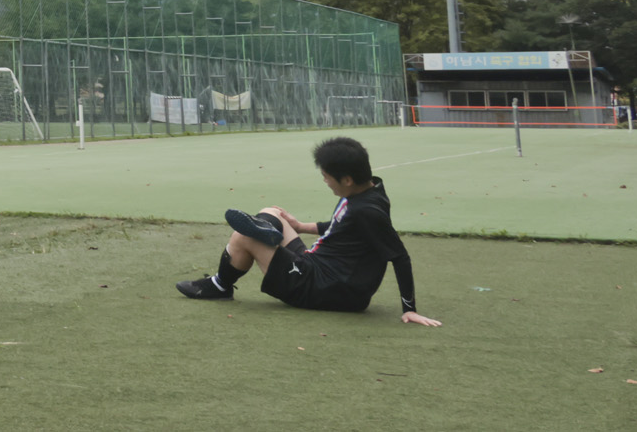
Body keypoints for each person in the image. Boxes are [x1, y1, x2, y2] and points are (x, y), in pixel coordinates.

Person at [175, 136, 442, 325]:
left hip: (324, 288)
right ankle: (270, 233)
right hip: (321, 268)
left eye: (326, 176)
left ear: (347, 179)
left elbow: (399, 256)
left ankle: (221, 285)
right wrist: (301, 227)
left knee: (244, 236)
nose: (324, 181)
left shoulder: (367, 210)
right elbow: (343, 228)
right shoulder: (370, 191)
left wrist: (410, 309)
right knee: (274, 212)